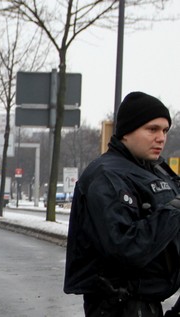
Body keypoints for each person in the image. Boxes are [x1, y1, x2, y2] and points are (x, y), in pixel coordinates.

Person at [64, 91, 180, 317]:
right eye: (152, 129)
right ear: (127, 132)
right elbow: (126, 248)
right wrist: (174, 210)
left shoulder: (155, 171)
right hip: (118, 306)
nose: (161, 138)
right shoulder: (106, 176)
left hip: (149, 303)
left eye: (165, 130)